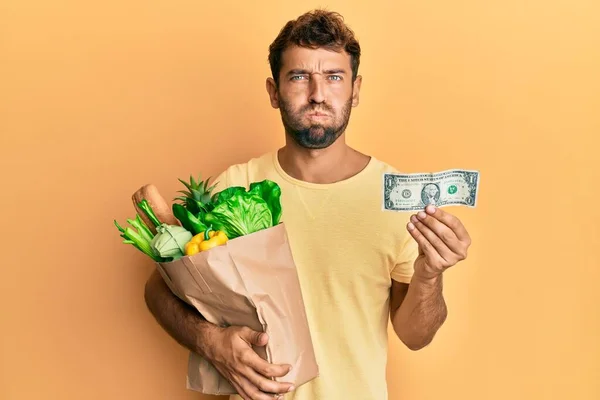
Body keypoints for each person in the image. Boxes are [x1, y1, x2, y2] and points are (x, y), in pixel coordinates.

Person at [144, 9, 472, 400]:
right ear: (273, 90)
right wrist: (210, 341)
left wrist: (430, 273)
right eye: (299, 77)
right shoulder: (234, 186)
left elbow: (415, 337)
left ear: (356, 89)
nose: (318, 94)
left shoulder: (396, 200)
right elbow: (157, 290)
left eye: (334, 77)